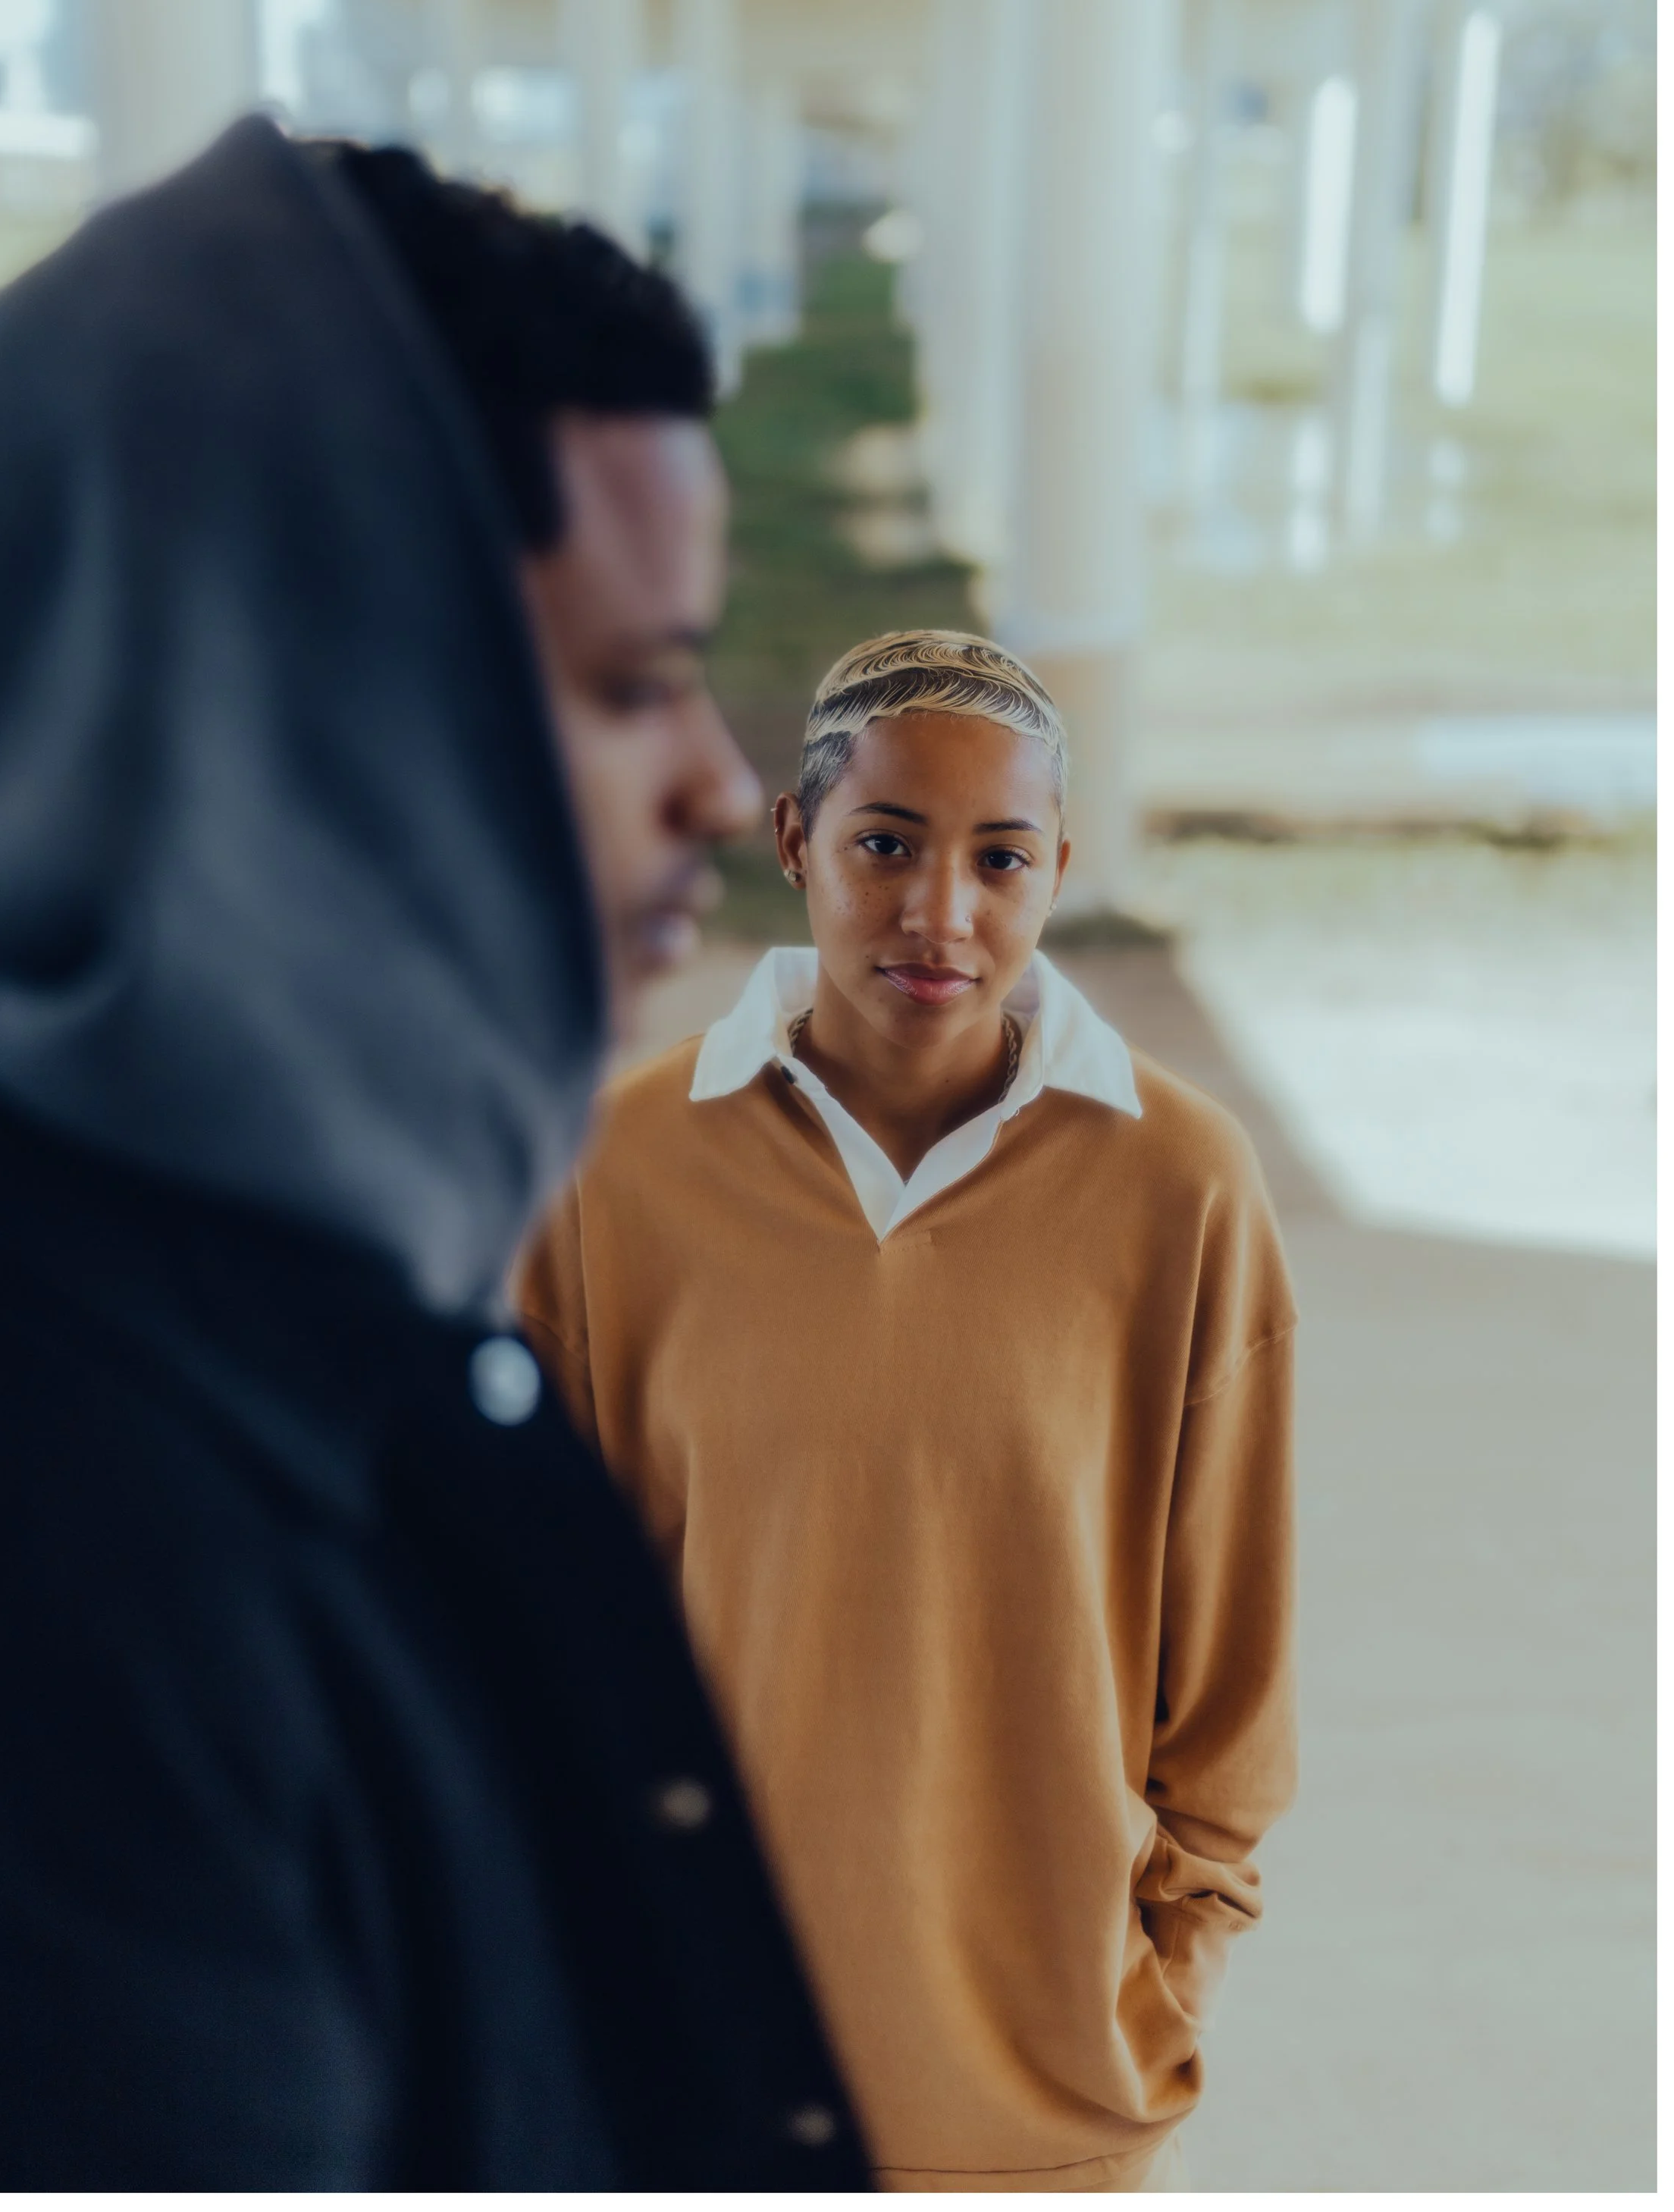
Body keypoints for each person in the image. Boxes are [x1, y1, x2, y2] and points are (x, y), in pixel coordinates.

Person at [0, 117, 870, 2190]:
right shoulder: (8, 1574)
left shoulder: (288, 1298)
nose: (722, 787)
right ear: (295, 714)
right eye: (630, 686)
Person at [520, 629, 1299, 2192]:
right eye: (884, 843)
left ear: (1056, 870)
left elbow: (1227, 1666)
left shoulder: (1181, 1185)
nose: (940, 911)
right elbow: (533, 1637)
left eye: (999, 858)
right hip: (686, 2069)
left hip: (1046, 2095)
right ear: (794, 839)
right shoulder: (615, 1172)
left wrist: (1162, 1978)